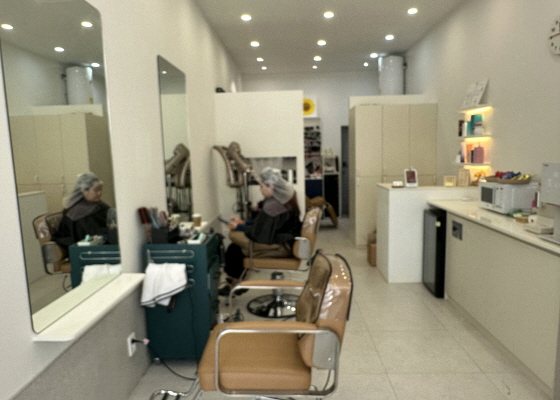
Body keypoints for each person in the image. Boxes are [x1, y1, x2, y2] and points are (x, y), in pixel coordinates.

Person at [220, 167, 302, 295]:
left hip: (281, 246)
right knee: (234, 248)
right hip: (286, 241)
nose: (260, 189)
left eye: (262, 186)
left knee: (234, 244)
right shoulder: (283, 200)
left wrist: (239, 228)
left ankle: (236, 283)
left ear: (272, 187)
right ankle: (239, 281)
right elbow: (263, 225)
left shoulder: (273, 207)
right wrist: (243, 223)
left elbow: (260, 234)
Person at [53, 172, 110, 251]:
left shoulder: (99, 205)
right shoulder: (77, 212)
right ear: (84, 191)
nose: (99, 193)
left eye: (100, 189)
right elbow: (87, 235)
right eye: (96, 190)